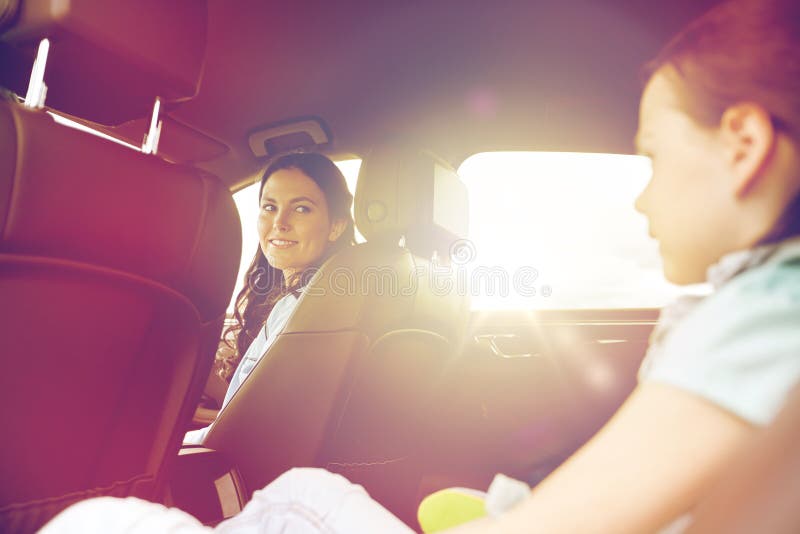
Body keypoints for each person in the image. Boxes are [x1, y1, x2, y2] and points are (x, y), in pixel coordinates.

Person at [41, 0, 800, 532]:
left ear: (742, 146)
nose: (644, 202)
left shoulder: (764, 306)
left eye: (655, 160)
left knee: (94, 521)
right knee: (307, 487)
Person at [184, 152, 355, 445]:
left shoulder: (305, 306)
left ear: (335, 226)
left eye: (301, 208)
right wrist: (213, 386)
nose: (279, 222)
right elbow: (268, 410)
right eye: (269, 207)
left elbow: (250, 430)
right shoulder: (331, 294)